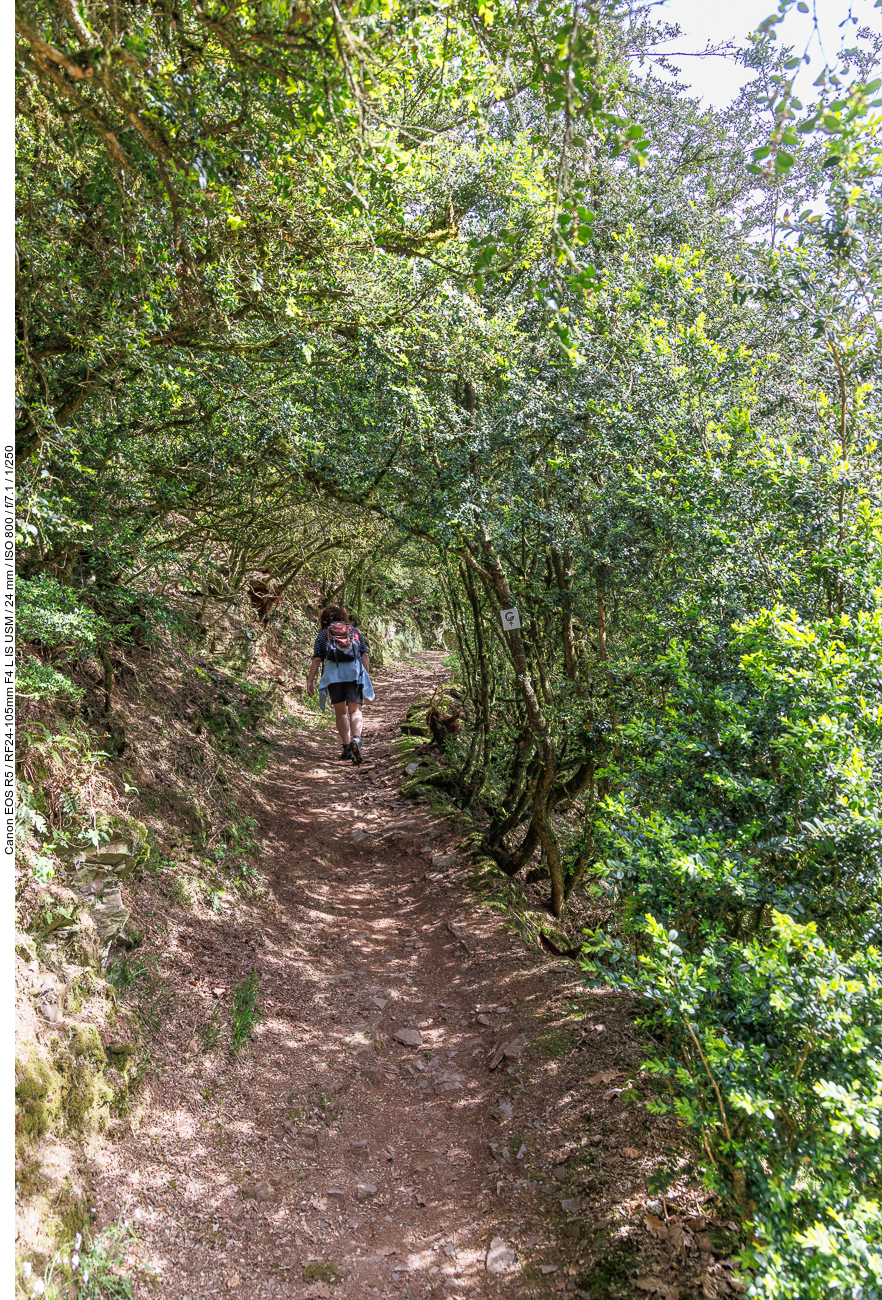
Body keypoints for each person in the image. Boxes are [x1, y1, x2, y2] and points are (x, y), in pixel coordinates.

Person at [306, 605, 375, 763]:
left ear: (323, 619)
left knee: (341, 712)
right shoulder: (354, 631)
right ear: (343, 616)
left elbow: (317, 659)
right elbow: (364, 654)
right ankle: (356, 739)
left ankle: (346, 747)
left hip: (333, 676)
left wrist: (310, 680)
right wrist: (366, 675)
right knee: (355, 710)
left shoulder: (324, 634)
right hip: (354, 674)